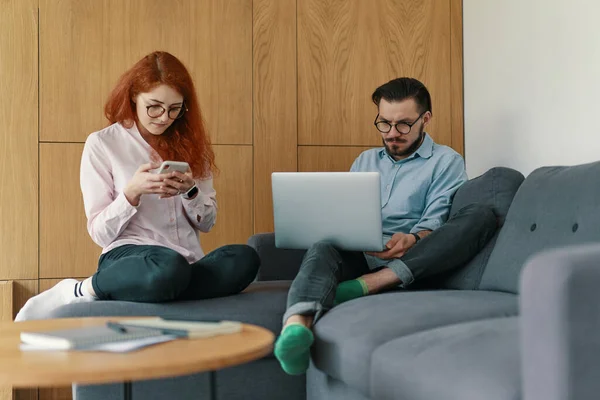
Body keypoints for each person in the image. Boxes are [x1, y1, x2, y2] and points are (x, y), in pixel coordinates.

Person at [273, 77, 497, 375]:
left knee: (481, 215)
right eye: (384, 123)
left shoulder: (446, 161)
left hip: (416, 261)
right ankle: (296, 328)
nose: (392, 134)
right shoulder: (365, 160)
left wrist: (415, 237)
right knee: (323, 246)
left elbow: (438, 220)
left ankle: (371, 285)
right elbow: (346, 214)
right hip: (362, 255)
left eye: (403, 124)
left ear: (425, 119)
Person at [15, 51, 260, 321]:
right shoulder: (103, 144)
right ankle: (82, 288)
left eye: (174, 109)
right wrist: (132, 192)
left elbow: (207, 223)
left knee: (245, 258)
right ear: (134, 96)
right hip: (130, 256)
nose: (164, 117)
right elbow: (99, 233)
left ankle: (167, 287)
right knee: (168, 268)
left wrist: (190, 191)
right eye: (154, 106)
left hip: (185, 261)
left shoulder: (192, 148)